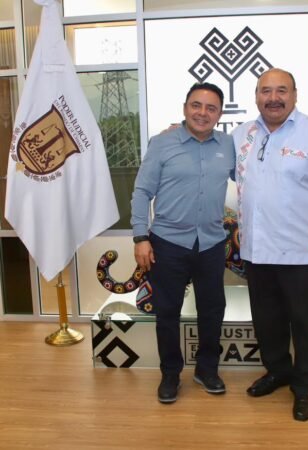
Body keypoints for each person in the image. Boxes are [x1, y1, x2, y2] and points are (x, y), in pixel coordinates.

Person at [232, 68, 308, 421]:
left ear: (295, 95)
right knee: (267, 320)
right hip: (257, 250)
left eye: (281, 90)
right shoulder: (242, 134)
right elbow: (225, 170)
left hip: (305, 250)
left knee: (304, 324)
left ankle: (306, 386)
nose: (273, 98)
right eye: (266, 91)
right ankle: (278, 371)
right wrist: (179, 132)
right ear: (256, 96)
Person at [131, 82, 235, 404]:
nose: (202, 113)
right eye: (196, 105)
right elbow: (142, 192)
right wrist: (140, 236)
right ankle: (170, 374)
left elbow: (251, 180)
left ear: (219, 113)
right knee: (167, 312)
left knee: (212, 310)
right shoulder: (163, 143)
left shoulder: (229, 145)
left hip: (211, 244)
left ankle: (207, 370)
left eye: (211, 108)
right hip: (167, 243)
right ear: (185, 107)